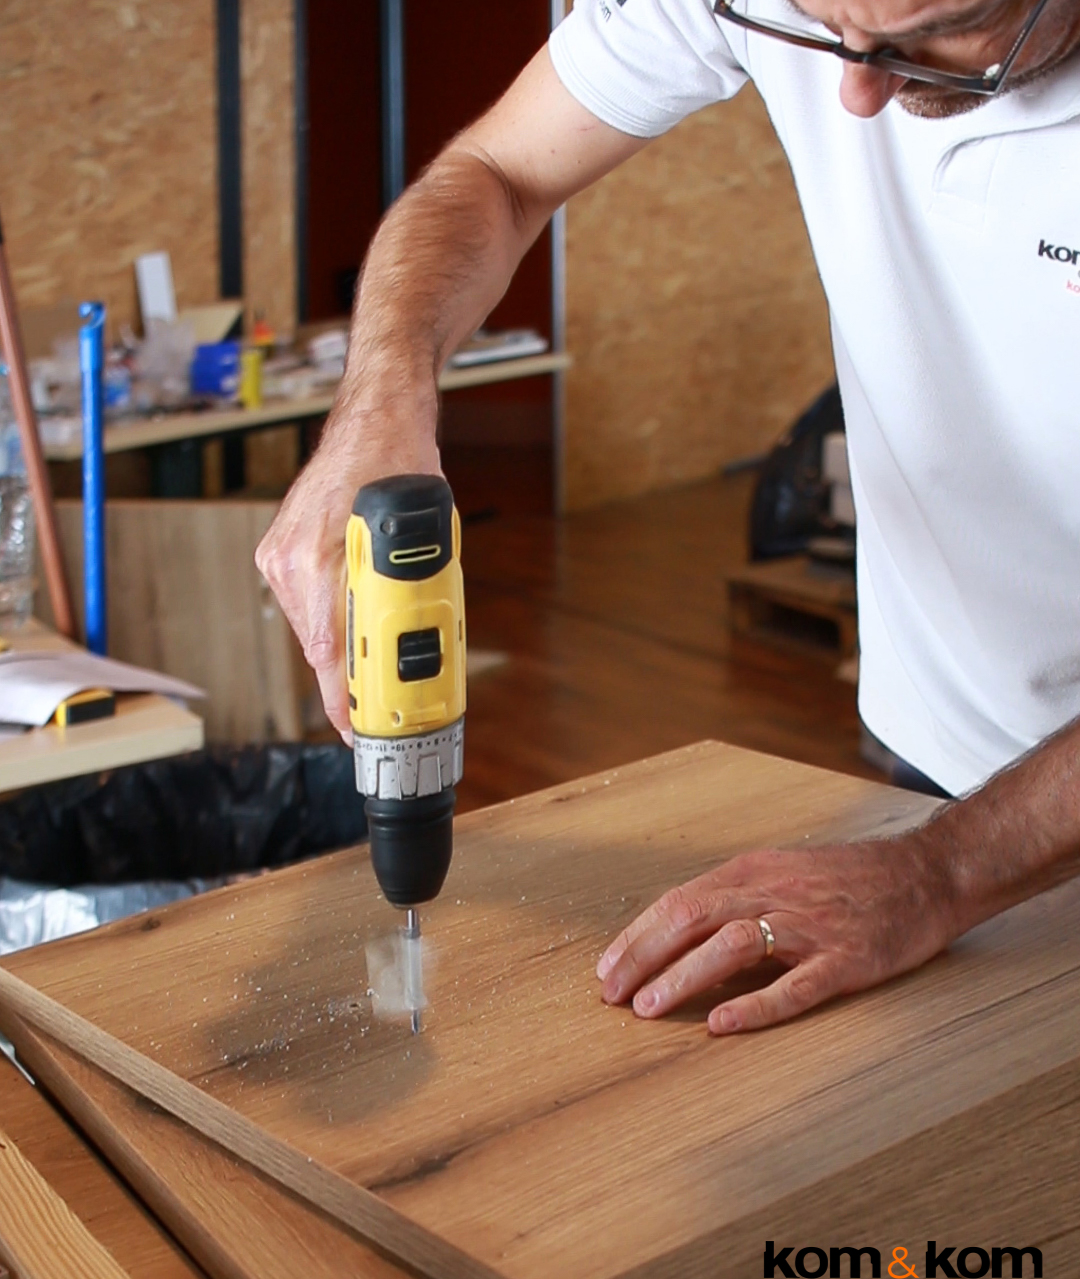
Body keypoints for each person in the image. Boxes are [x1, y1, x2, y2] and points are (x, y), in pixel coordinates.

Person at [257, 0, 1080, 1035]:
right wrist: (380, 394)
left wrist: (946, 872)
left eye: (930, 37)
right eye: (823, 30)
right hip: (934, 766)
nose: (856, 93)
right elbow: (498, 174)